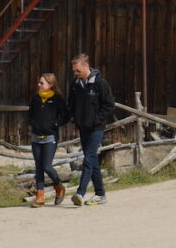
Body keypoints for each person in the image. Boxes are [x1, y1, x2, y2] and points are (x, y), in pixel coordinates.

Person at [67, 53, 115, 206]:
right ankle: (100, 194)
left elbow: (109, 105)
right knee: (92, 159)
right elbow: (71, 104)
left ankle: (80, 193)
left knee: (88, 158)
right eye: (74, 71)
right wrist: (74, 118)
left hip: (96, 128)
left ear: (86, 66)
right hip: (83, 127)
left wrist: (97, 120)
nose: (75, 73)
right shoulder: (75, 85)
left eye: (77, 70)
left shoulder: (100, 83)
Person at [28, 73, 69, 207]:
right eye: (39, 83)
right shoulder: (35, 98)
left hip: (50, 138)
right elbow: (30, 115)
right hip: (35, 138)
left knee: (46, 166)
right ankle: (40, 197)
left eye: (42, 83)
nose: (39, 85)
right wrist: (33, 124)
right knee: (38, 168)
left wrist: (55, 124)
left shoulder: (57, 99)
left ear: (50, 85)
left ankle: (59, 186)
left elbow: (65, 116)